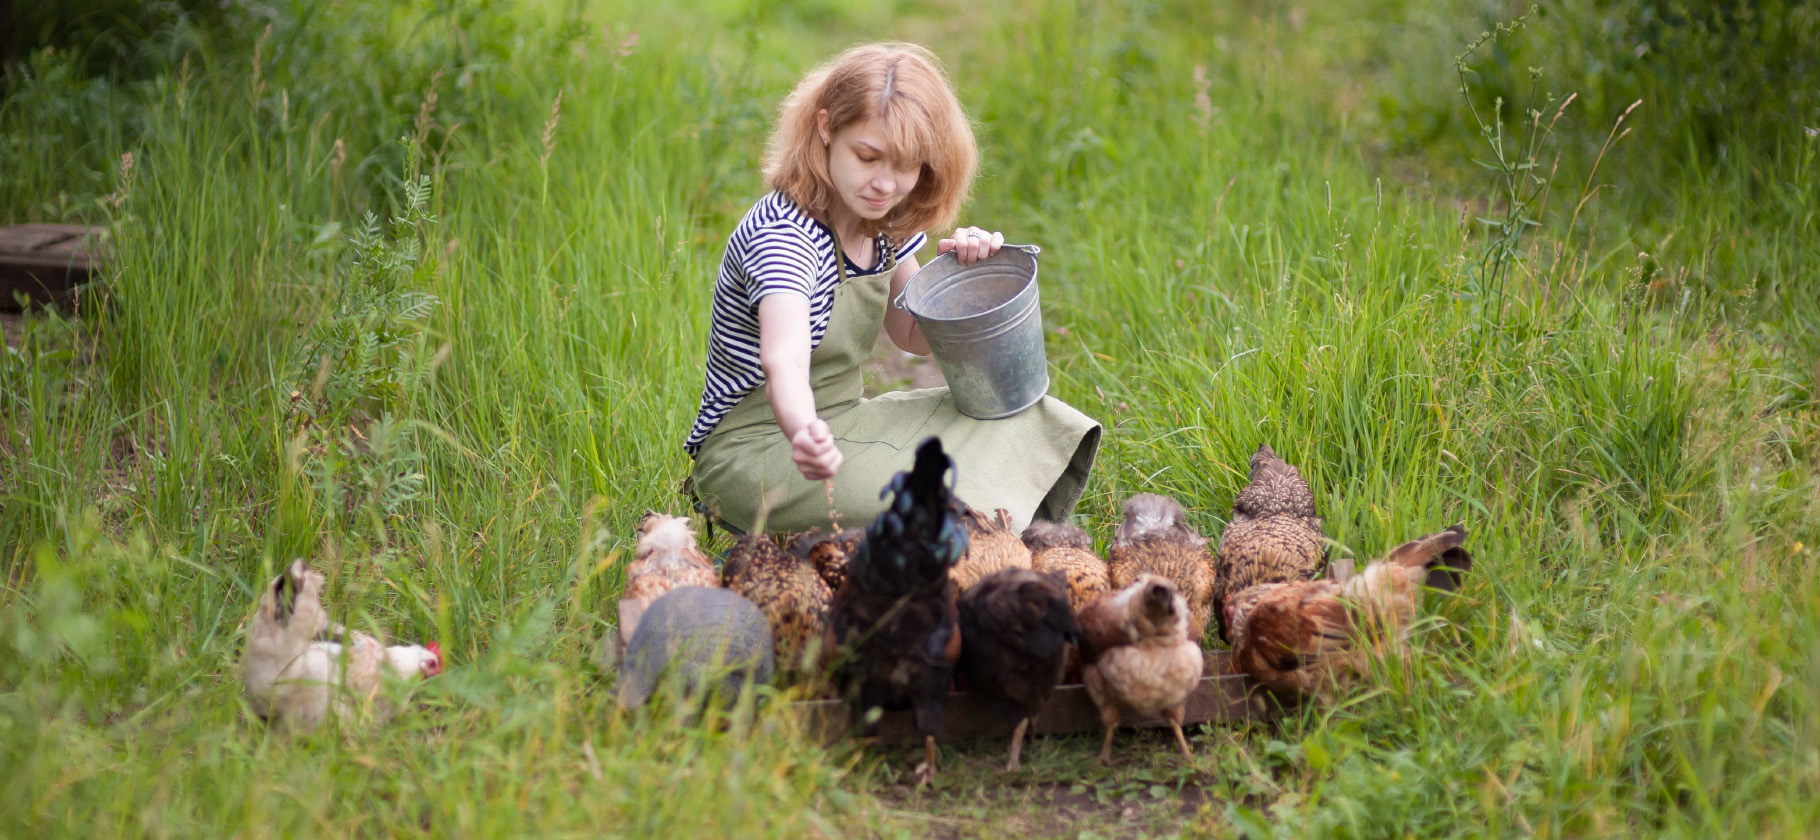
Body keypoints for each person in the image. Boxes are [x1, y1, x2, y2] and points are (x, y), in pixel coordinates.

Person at [685, 42, 1100, 535]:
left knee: (1025, 417)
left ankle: (1001, 553)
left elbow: (913, 335)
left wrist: (965, 279)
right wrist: (803, 430)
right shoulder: (785, 237)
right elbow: (784, 358)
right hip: (758, 450)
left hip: (844, 420)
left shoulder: (881, 223)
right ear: (825, 129)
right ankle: (965, 565)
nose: (884, 183)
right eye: (867, 156)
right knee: (938, 496)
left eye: (905, 166)